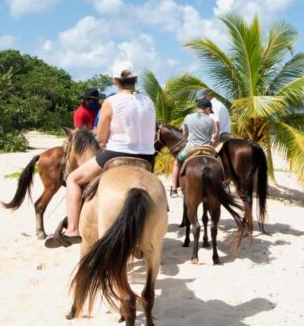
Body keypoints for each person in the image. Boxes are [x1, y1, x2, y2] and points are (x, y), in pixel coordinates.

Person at [45, 61, 156, 248]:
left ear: (115, 81)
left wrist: (104, 139)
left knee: (73, 179)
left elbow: (102, 137)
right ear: (135, 80)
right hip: (147, 158)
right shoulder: (148, 101)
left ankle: (72, 229)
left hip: (116, 153)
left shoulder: (111, 102)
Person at [170, 97, 219, 196]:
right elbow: (212, 137)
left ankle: (174, 189)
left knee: (176, 163)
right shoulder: (210, 120)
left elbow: (184, 134)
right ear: (208, 109)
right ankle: (223, 185)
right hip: (207, 149)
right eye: (210, 111)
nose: (210, 113)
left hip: (190, 149)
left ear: (198, 108)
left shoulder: (188, 117)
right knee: (219, 162)